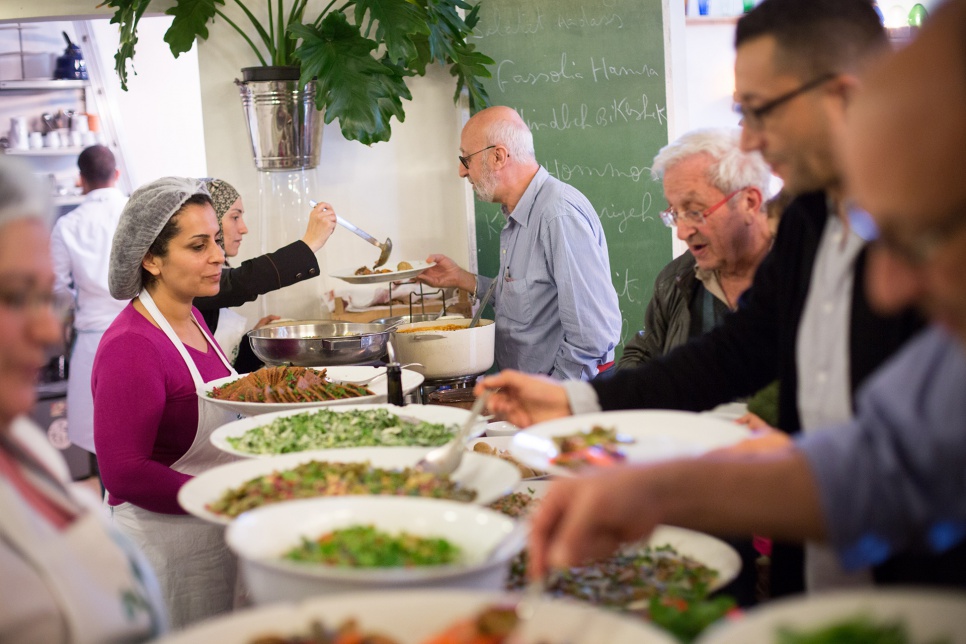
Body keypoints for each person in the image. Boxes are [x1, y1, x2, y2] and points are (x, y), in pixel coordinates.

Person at [480, 0, 926, 594]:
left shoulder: (928, 243)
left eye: (760, 110)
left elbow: (905, 468)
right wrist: (577, 402)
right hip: (812, 581)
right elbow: (731, 354)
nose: (749, 137)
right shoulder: (808, 222)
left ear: (841, 98)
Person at [0, 156, 166, 643]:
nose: (50, 330)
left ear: (81, 177)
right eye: (13, 296)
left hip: (94, 332)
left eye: (39, 296)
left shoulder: (25, 450)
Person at [92, 178, 238, 629]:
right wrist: (230, 497)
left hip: (213, 529)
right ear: (151, 259)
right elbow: (123, 471)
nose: (218, 255)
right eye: (198, 246)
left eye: (216, 240)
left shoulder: (191, 315)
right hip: (165, 550)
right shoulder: (132, 345)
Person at [416, 105, 622, 381]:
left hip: (563, 400)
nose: (462, 172)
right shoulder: (518, 216)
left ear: (498, 156)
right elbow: (530, 302)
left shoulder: (557, 215)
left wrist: (552, 396)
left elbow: (592, 335)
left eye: (466, 160)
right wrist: (462, 279)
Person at [617, 127, 773, 370]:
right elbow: (642, 354)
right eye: (675, 213)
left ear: (749, 202)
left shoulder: (807, 276)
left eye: (694, 211)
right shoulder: (675, 280)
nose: (682, 232)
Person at [193, 179, 337, 372]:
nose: (244, 228)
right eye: (235, 217)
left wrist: (254, 341)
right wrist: (308, 244)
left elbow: (229, 366)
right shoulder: (195, 280)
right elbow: (241, 282)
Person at [49, 145, 127, 457]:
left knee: (101, 437)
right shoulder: (134, 212)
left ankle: (107, 503)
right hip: (141, 329)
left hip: (94, 340)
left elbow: (56, 287)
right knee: (142, 427)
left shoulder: (67, 225)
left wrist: (73, 306)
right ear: (117, 175)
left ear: (81, 180)